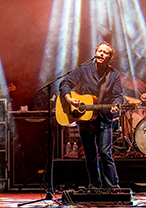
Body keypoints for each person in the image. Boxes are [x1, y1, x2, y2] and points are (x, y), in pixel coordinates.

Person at [59, 41, 123, 188]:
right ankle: (94, 185)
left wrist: (116, 105)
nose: (101, 53)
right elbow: (65, 83)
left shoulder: (114, 75)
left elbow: (117, 95)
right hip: (85, 119)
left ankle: (112, 187)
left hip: (104, 118)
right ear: (95, 53)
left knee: (105, 153)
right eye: (100, 51)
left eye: (105, 52)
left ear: (110, 58)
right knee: (90, 155)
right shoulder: (83, 70)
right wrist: (69, 99)